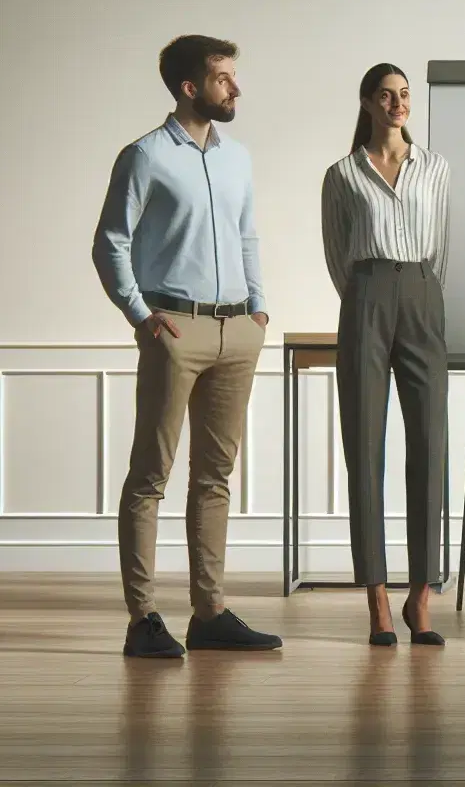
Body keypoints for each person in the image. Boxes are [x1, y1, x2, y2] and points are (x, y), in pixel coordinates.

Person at [93, 35, 282, 658]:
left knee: (215, 477)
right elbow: (111, 243)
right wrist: (141, 315)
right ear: (190, 88)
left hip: (237, 331)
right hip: (174, 327)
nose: (236, 88)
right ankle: (143, 618)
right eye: (224, 78)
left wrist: (257, 307)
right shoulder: (145, 156)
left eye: (233, 77)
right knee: (150, 474)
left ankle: (210, 612)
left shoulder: (239, 159)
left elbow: (247, 235)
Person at [321, 63, 451, 647]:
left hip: (423, 293)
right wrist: (367, 296)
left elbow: (443, 246)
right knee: (364, 445)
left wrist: (419, 293)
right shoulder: (342, 175)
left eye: (404, 95)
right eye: (387, 95)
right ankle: (375, 595)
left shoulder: (436, 168)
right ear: (367, 103)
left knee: (429, 445)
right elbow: (335, 252)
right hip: (366, 295)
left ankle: (419, 596)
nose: (398, 103)